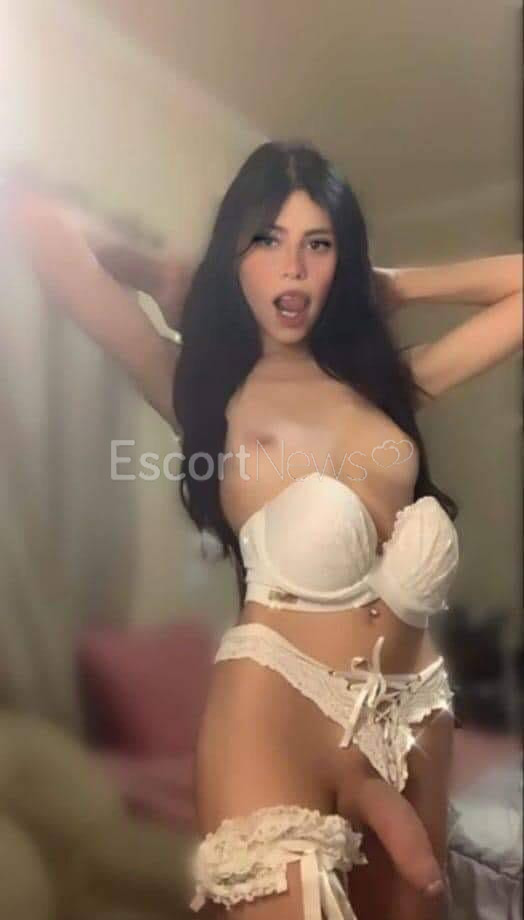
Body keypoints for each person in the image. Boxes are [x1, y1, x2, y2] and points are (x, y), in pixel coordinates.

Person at [4, 142, 522, 920]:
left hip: (413, 709)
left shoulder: (391, 387)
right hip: (279, 709)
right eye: (266, 240)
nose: (294, 269)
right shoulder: (201, 388)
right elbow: (36, 225)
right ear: (234, 257)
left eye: (319, 245)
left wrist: (396, 284)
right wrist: (155, 271)